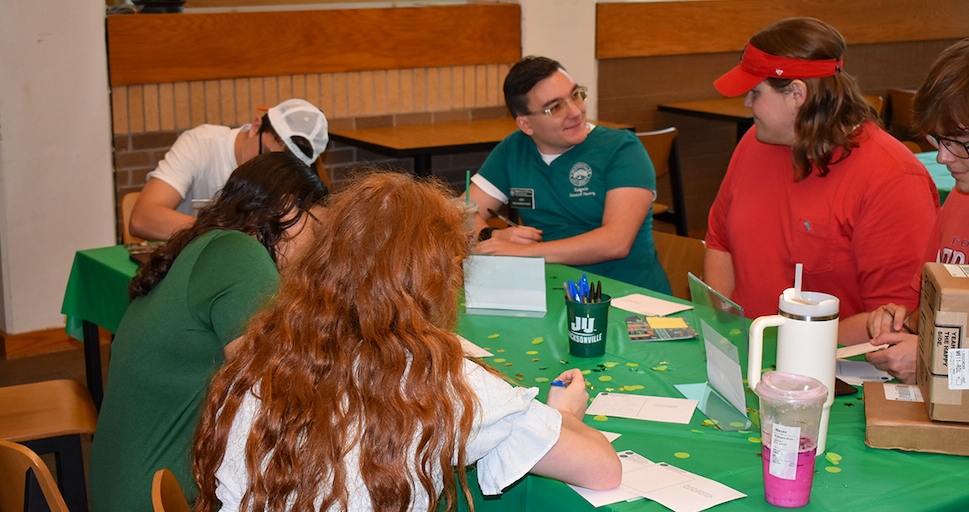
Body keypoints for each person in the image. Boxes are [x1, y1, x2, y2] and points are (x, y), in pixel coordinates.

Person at [192, 172, 621, 512]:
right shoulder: (437, 377)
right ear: (431, 280)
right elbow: (602, 469)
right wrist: (564, 415)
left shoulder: (266, 346)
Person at [89, 152, 328, 512]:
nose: (320, 248)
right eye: (319, 228)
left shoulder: (206, 244)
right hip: (161, 499)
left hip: (125, 488)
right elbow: (274, 389)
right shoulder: (240, 254)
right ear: (288, 210)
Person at [703, 17, 940, 345]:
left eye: (755, 93)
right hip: (748, 348)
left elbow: (894, 316)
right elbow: (719, 243)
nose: (747, 103)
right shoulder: (754, 143)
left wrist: (791, 347)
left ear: (797, 93)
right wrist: (727, 329)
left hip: (836, 367)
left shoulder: (892, 178)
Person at [465, 56, 671, 294]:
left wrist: (523, 252)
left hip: (629, 298)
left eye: (575, 95)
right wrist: (491, 235)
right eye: (555, 107)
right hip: (552, 292)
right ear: (526, 125)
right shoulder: (515, 149)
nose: (575, 111)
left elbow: (616, 242)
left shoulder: (621, 148)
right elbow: (461, 212)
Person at [865, 35, 969, 383]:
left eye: (961, 142)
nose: (943, 156)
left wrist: (930, 361)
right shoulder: (960, 203)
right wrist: (902, 323)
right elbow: (937, 317)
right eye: (939, 139)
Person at [129, 98, 329, 241]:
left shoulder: (290, 179)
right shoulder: (201, 144)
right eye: (265, 154)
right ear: (255, 127)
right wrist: (229, 235)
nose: (268, 169)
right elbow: (142, 218)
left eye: (280, 166)